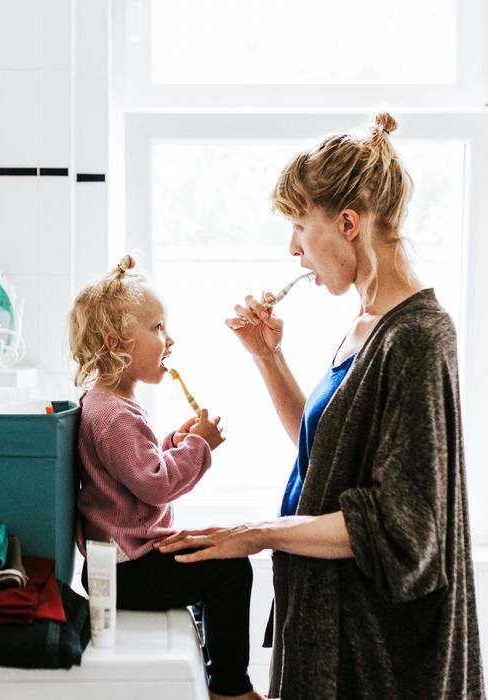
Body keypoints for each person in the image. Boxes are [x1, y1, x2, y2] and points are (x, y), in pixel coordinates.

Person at [158, 113, 485, 699]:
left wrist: (257, 532)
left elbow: (406, 530)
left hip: (381, 655)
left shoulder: (417, 338)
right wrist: (268, 358)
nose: (293, 250)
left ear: (349, 223)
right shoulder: (365, 327)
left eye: (300, 227)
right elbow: (327, 459)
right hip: (328, 622)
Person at [68, 255, 258, 700]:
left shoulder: (107, 405)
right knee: (230, 570)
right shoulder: (113, 414)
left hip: (124, 564)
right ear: (116, 343)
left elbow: (133, 468)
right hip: (129, 571)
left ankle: (215, 665)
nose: (169, 340)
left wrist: (173, 441)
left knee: (214, 554)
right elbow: (155, 483)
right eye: (157, 329)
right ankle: (230, 688)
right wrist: (199, 447)